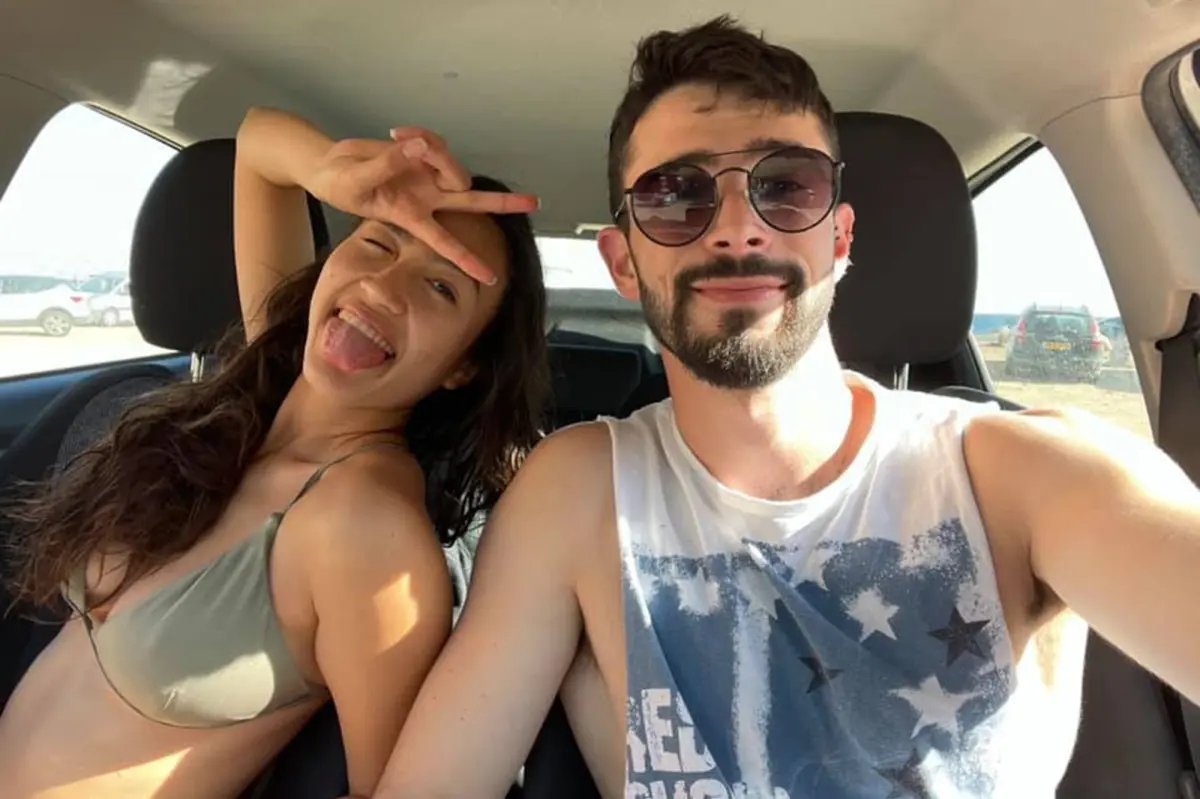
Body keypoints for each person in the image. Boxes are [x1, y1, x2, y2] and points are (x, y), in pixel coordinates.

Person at [364, 16, 1200, 799]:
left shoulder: (1022, 473)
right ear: (622, 261)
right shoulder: (578, 493)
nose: (737, 228)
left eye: (787, 187)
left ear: (839, 238)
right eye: (675, 195)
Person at [0, 106, 548, 799]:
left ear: (464, 365)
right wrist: (336, 177)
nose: (381, 287)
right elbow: (258, 146)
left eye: (441, 286)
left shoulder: (365, 527)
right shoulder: (253, 397)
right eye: (379, 242)